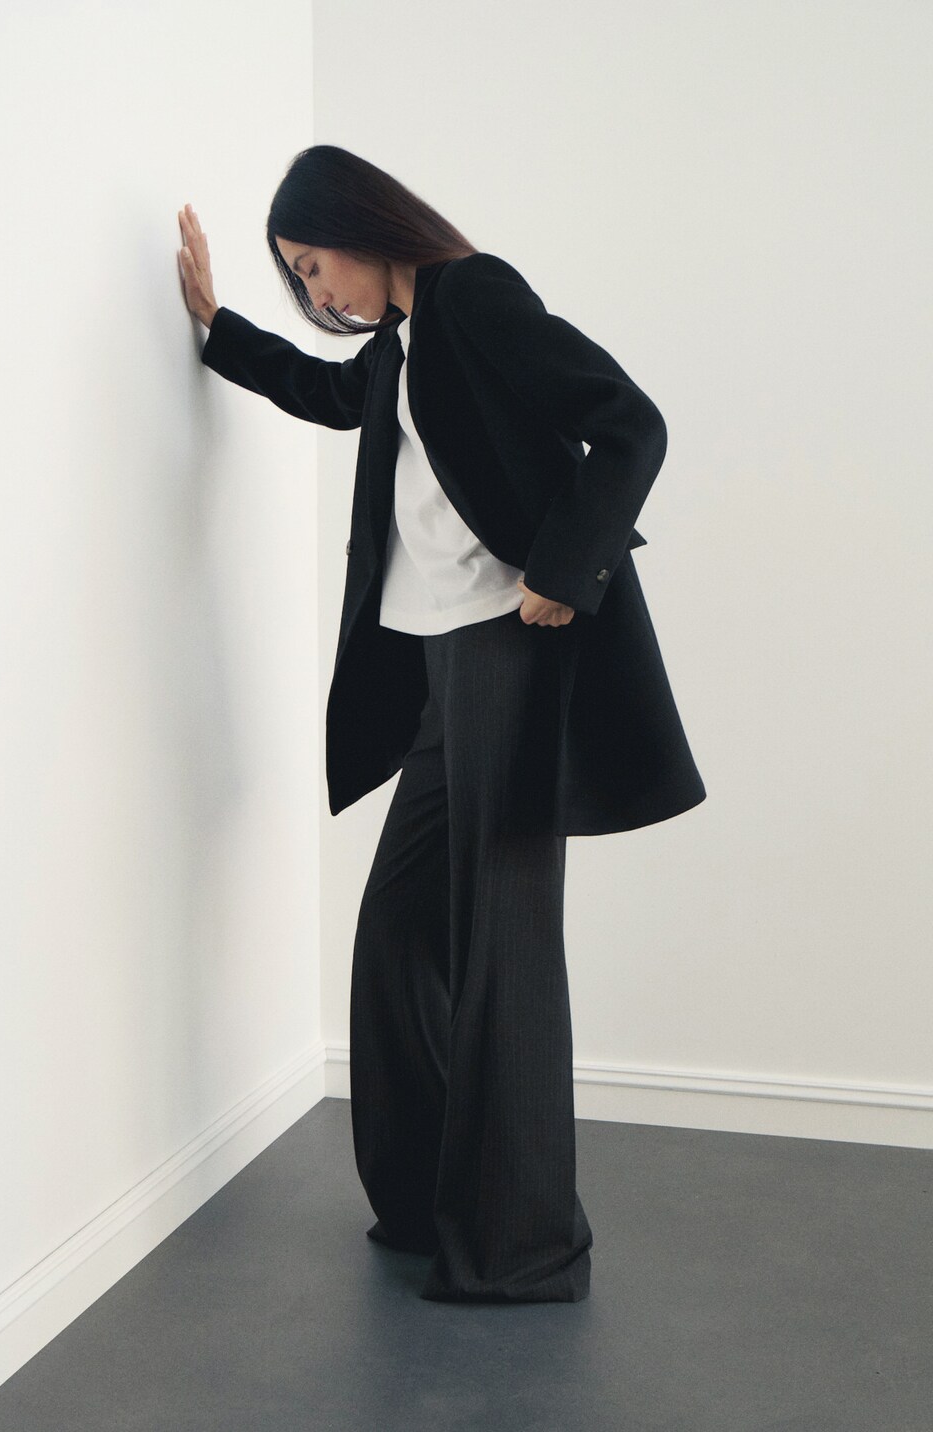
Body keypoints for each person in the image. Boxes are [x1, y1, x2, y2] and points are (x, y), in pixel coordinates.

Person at [177, 145, 706, 1305]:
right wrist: (217, 329)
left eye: (313, 266)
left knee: (502, 946)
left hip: (510, 650)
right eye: (299, 281)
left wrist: (565, 566)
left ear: (361, 227)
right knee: (399, 935)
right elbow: (328, 395)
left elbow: (631, 420)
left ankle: (522, 1246)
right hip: (439, 671)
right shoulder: (398, 349)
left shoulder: (473, 297)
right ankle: (427, 1200)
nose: (317, 294)